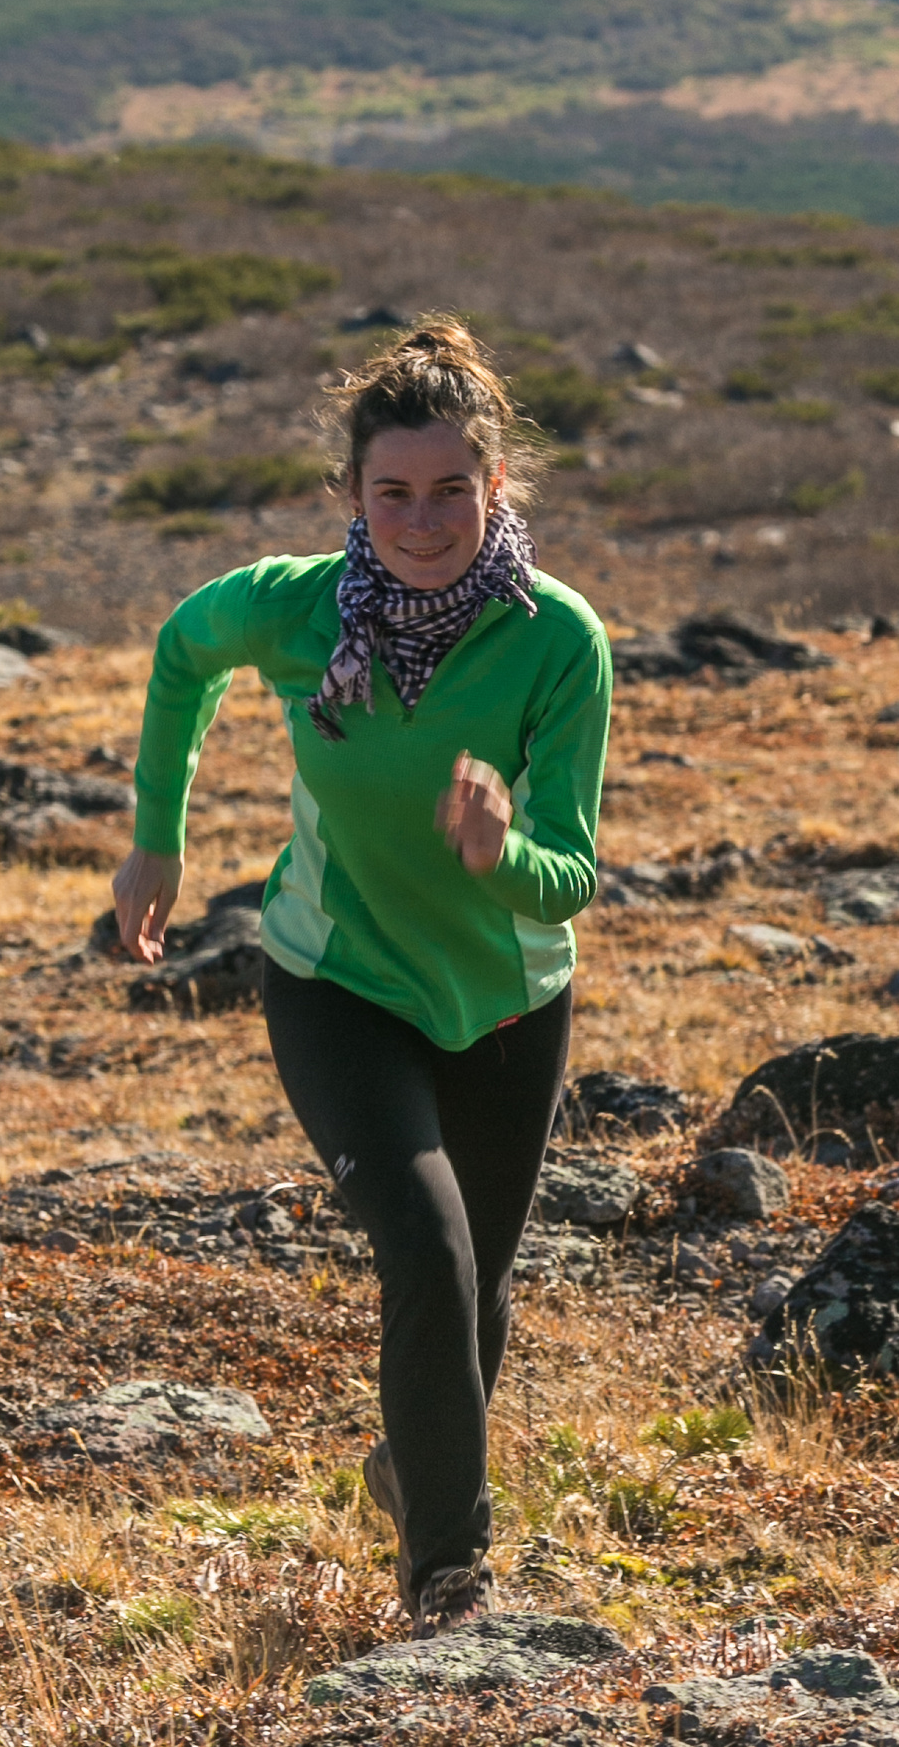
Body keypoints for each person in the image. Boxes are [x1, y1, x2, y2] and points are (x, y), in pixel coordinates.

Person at [110, 319, 612, 1637]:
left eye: (451, 489)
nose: (422, 520)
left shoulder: (557, 640)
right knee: (429, 1257)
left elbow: (570, 873)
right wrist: (157, 836)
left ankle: (413, 1466)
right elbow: (183, 650)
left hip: (506, 1003)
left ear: (495, 486)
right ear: (351, 493)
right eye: (393, 491)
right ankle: (450, 1584)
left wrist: (502, 851)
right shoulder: (293, 606)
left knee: (476, 1293)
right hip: (336, 982)